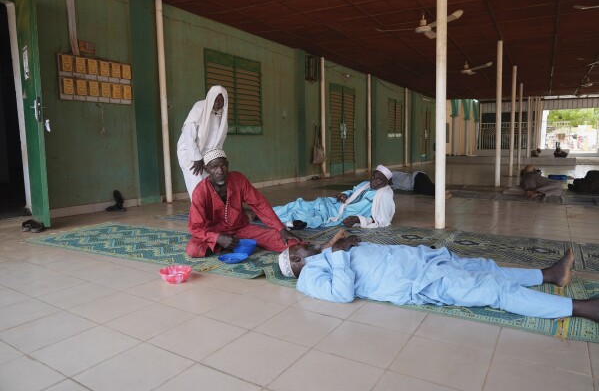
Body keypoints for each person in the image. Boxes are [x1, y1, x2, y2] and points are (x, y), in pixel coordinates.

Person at [277, 231, 599, 323]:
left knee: (485, 266)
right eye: (298, 248)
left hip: (425, 260)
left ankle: (550, 274)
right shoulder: (309, 279)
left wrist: (340, 246)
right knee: (492, 289)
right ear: (294, 261)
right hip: (422, 283)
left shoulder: (324, 251)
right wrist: (338, 254)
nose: (304, 244)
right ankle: (583, 308)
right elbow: (343, 293)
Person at [186, 148, 301, 258]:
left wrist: (281, 229)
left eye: (223, 166)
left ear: (228, 164)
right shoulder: (200, 192)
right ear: (206, 169)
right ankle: (227, 243)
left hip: (240, 228)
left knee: (291, 242)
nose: (220, 171)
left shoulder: (238, 179)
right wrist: (218, 238)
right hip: (214, 232)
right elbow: (196, 227)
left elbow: (259, 204)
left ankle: (232, 243)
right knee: (194, 249)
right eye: (214, 167)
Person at [272, 165, 395, 229]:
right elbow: (352, 191)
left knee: (308, 215)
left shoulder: (384, 196)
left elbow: (382, 220)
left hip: (342, 214)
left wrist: (358, 220)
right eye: (373, 177)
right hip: (336, 204)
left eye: (379, 179)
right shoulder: (365, 184)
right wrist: (344, 194)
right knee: (300, 203)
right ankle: (266, 213)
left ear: (386, 182)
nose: (373, 181)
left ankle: (276, 219)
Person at [177, 85, 229, 199]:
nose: (218, 102)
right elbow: (188, 135)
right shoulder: (199, 108)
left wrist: (213, 160)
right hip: (190, 154)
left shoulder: (222, 115)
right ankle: (199, 213)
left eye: (221, 100)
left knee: (211, 184)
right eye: (216, 99)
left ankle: (211, 211)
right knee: (197, 183)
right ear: (210, 98)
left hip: (208, 158)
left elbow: (218, 143)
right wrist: (196, 158)